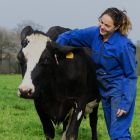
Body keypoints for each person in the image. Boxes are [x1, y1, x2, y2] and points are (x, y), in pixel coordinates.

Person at [56, 7, 137, 140]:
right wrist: (57, 50)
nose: (102, 27)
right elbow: (69, 36)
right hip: (104, 92)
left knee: (119, 133)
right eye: (101, 22)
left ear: (116, 27)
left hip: (120, 92)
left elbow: (131, 76)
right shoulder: (94, 34)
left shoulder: (123, 46)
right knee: (113, 131)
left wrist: (125, 103)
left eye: (107, 25)